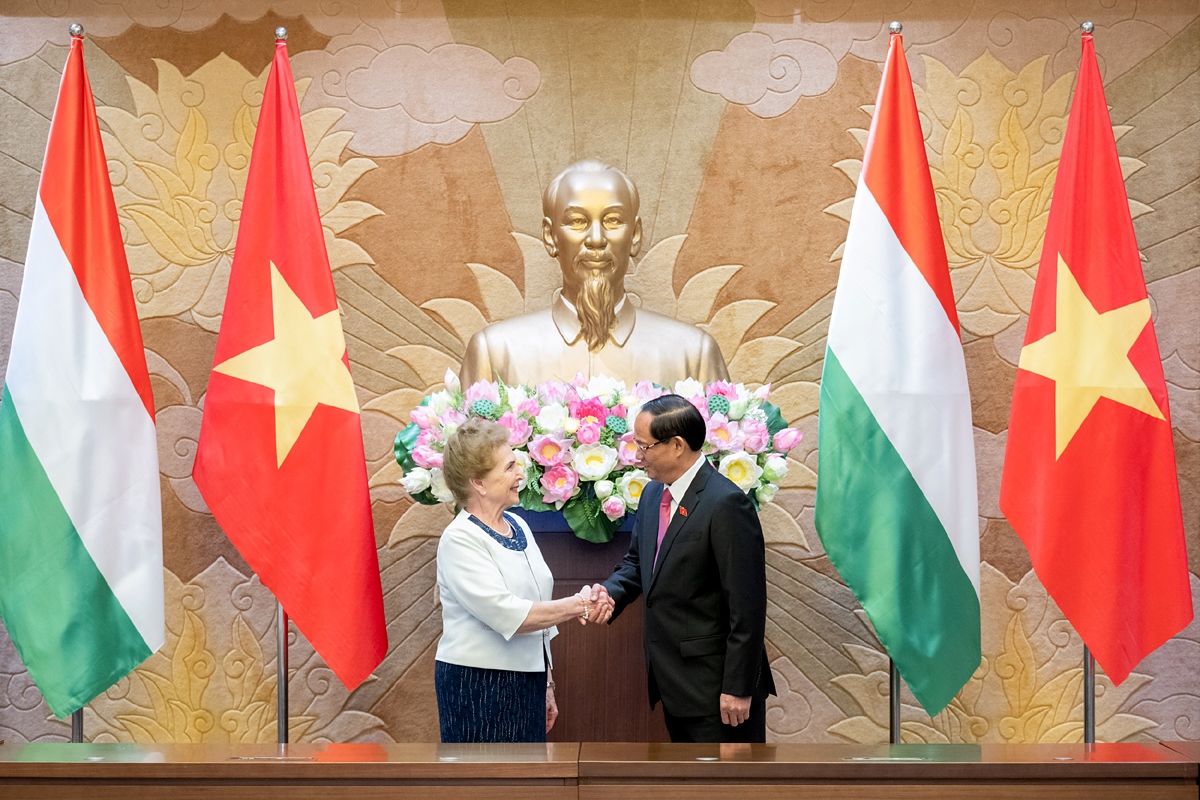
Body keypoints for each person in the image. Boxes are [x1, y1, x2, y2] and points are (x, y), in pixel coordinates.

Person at [586, 394, 776, 742]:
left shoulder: (726, 503)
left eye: (644, 447)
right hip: (675, 684)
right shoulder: (651, 494)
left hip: (718, 691)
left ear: (676, 445)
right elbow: (638, 564)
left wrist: (737, 688)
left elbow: (747, 607)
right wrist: (610, 594)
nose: (637, 456)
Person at [458, 160, 729, 387]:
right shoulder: (496, 352)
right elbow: (466, 450)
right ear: (551, 237)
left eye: (613, 221)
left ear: (634, 236)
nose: (596, 239)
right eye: (577, 221)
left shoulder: (693, 355)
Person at [434, 416, 597, 742]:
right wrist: (579, 604)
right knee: (486, 789)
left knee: (526, 787)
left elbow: (537, 605)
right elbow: (511, 615)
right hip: (478, 686)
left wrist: (546, 683)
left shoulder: (518, 526)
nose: (521, 474)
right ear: (478, 483)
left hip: (528, 682)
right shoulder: (460, 539)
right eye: (509, 467)